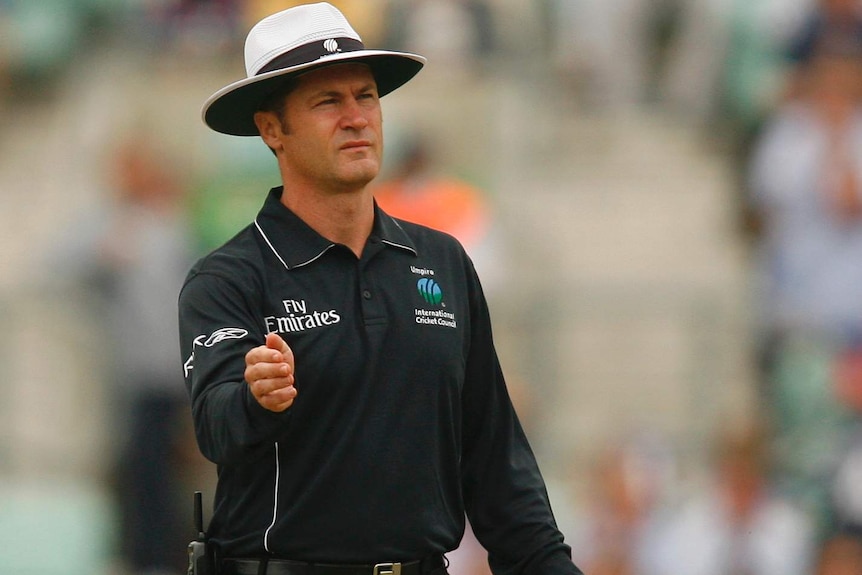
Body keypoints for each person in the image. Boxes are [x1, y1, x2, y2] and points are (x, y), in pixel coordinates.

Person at [177, 4, 582, 575]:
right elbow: (215, 425)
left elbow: (497, 464)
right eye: (327, 102)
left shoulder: (441, 261)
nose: (356, 117)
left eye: (365, 96)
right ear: (272, 129)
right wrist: (253, 398)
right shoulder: (228, 277)